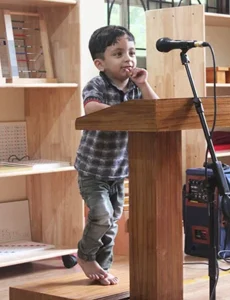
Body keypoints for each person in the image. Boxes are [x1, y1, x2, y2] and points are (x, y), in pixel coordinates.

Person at [74, 25, 159, 286]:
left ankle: (103, 267)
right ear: (100, 63)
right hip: (93, 168)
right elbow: (91, 109)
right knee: (101, 213)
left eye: (132, 52)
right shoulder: (97, 84)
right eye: (118, 53)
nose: (128, 59)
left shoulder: (135, 88)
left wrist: (143, 84)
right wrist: (127, 114)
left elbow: (156, 109)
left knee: (112, 222)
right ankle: (85, 255)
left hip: (119, 169)